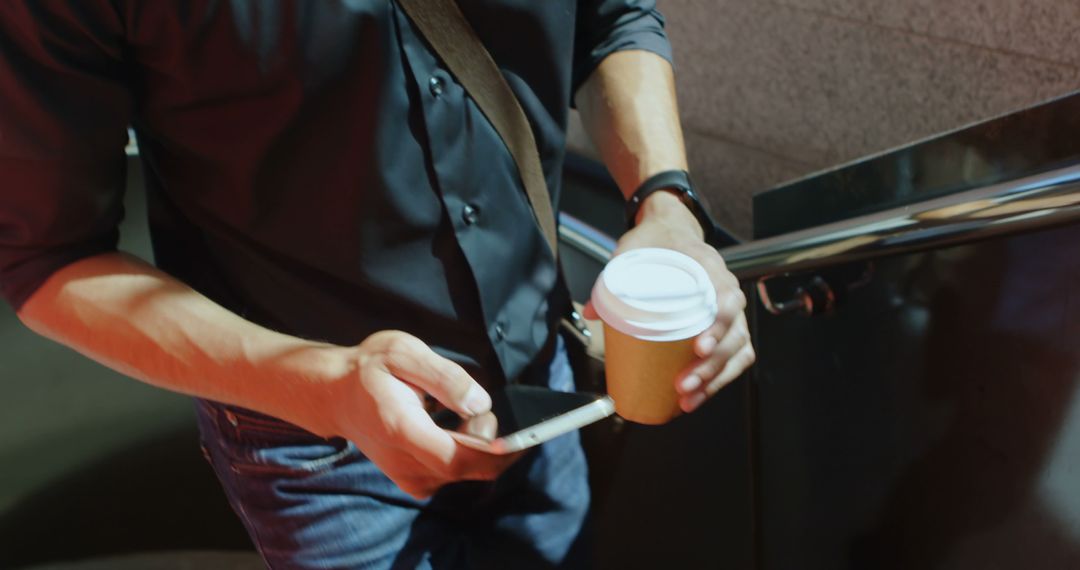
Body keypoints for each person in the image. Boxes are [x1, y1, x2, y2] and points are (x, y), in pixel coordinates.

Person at [0, 1, 755, 568]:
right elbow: (48, 260)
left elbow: (611, 15)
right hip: (313, 446)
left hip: (538, 375)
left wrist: (665, 204)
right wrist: (326, 387)